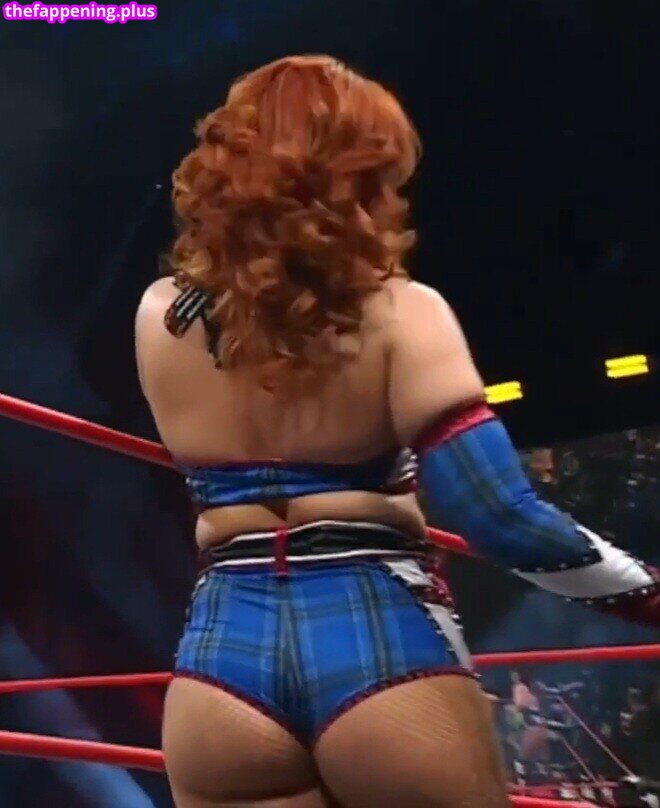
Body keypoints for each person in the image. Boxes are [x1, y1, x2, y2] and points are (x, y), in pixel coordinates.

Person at [134, 55, 659, 807]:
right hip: (377, 643)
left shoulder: (162, 316)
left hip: (221, 668)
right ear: (360, 179)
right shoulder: (401, 313)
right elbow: (498, 513)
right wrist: (647, 597)